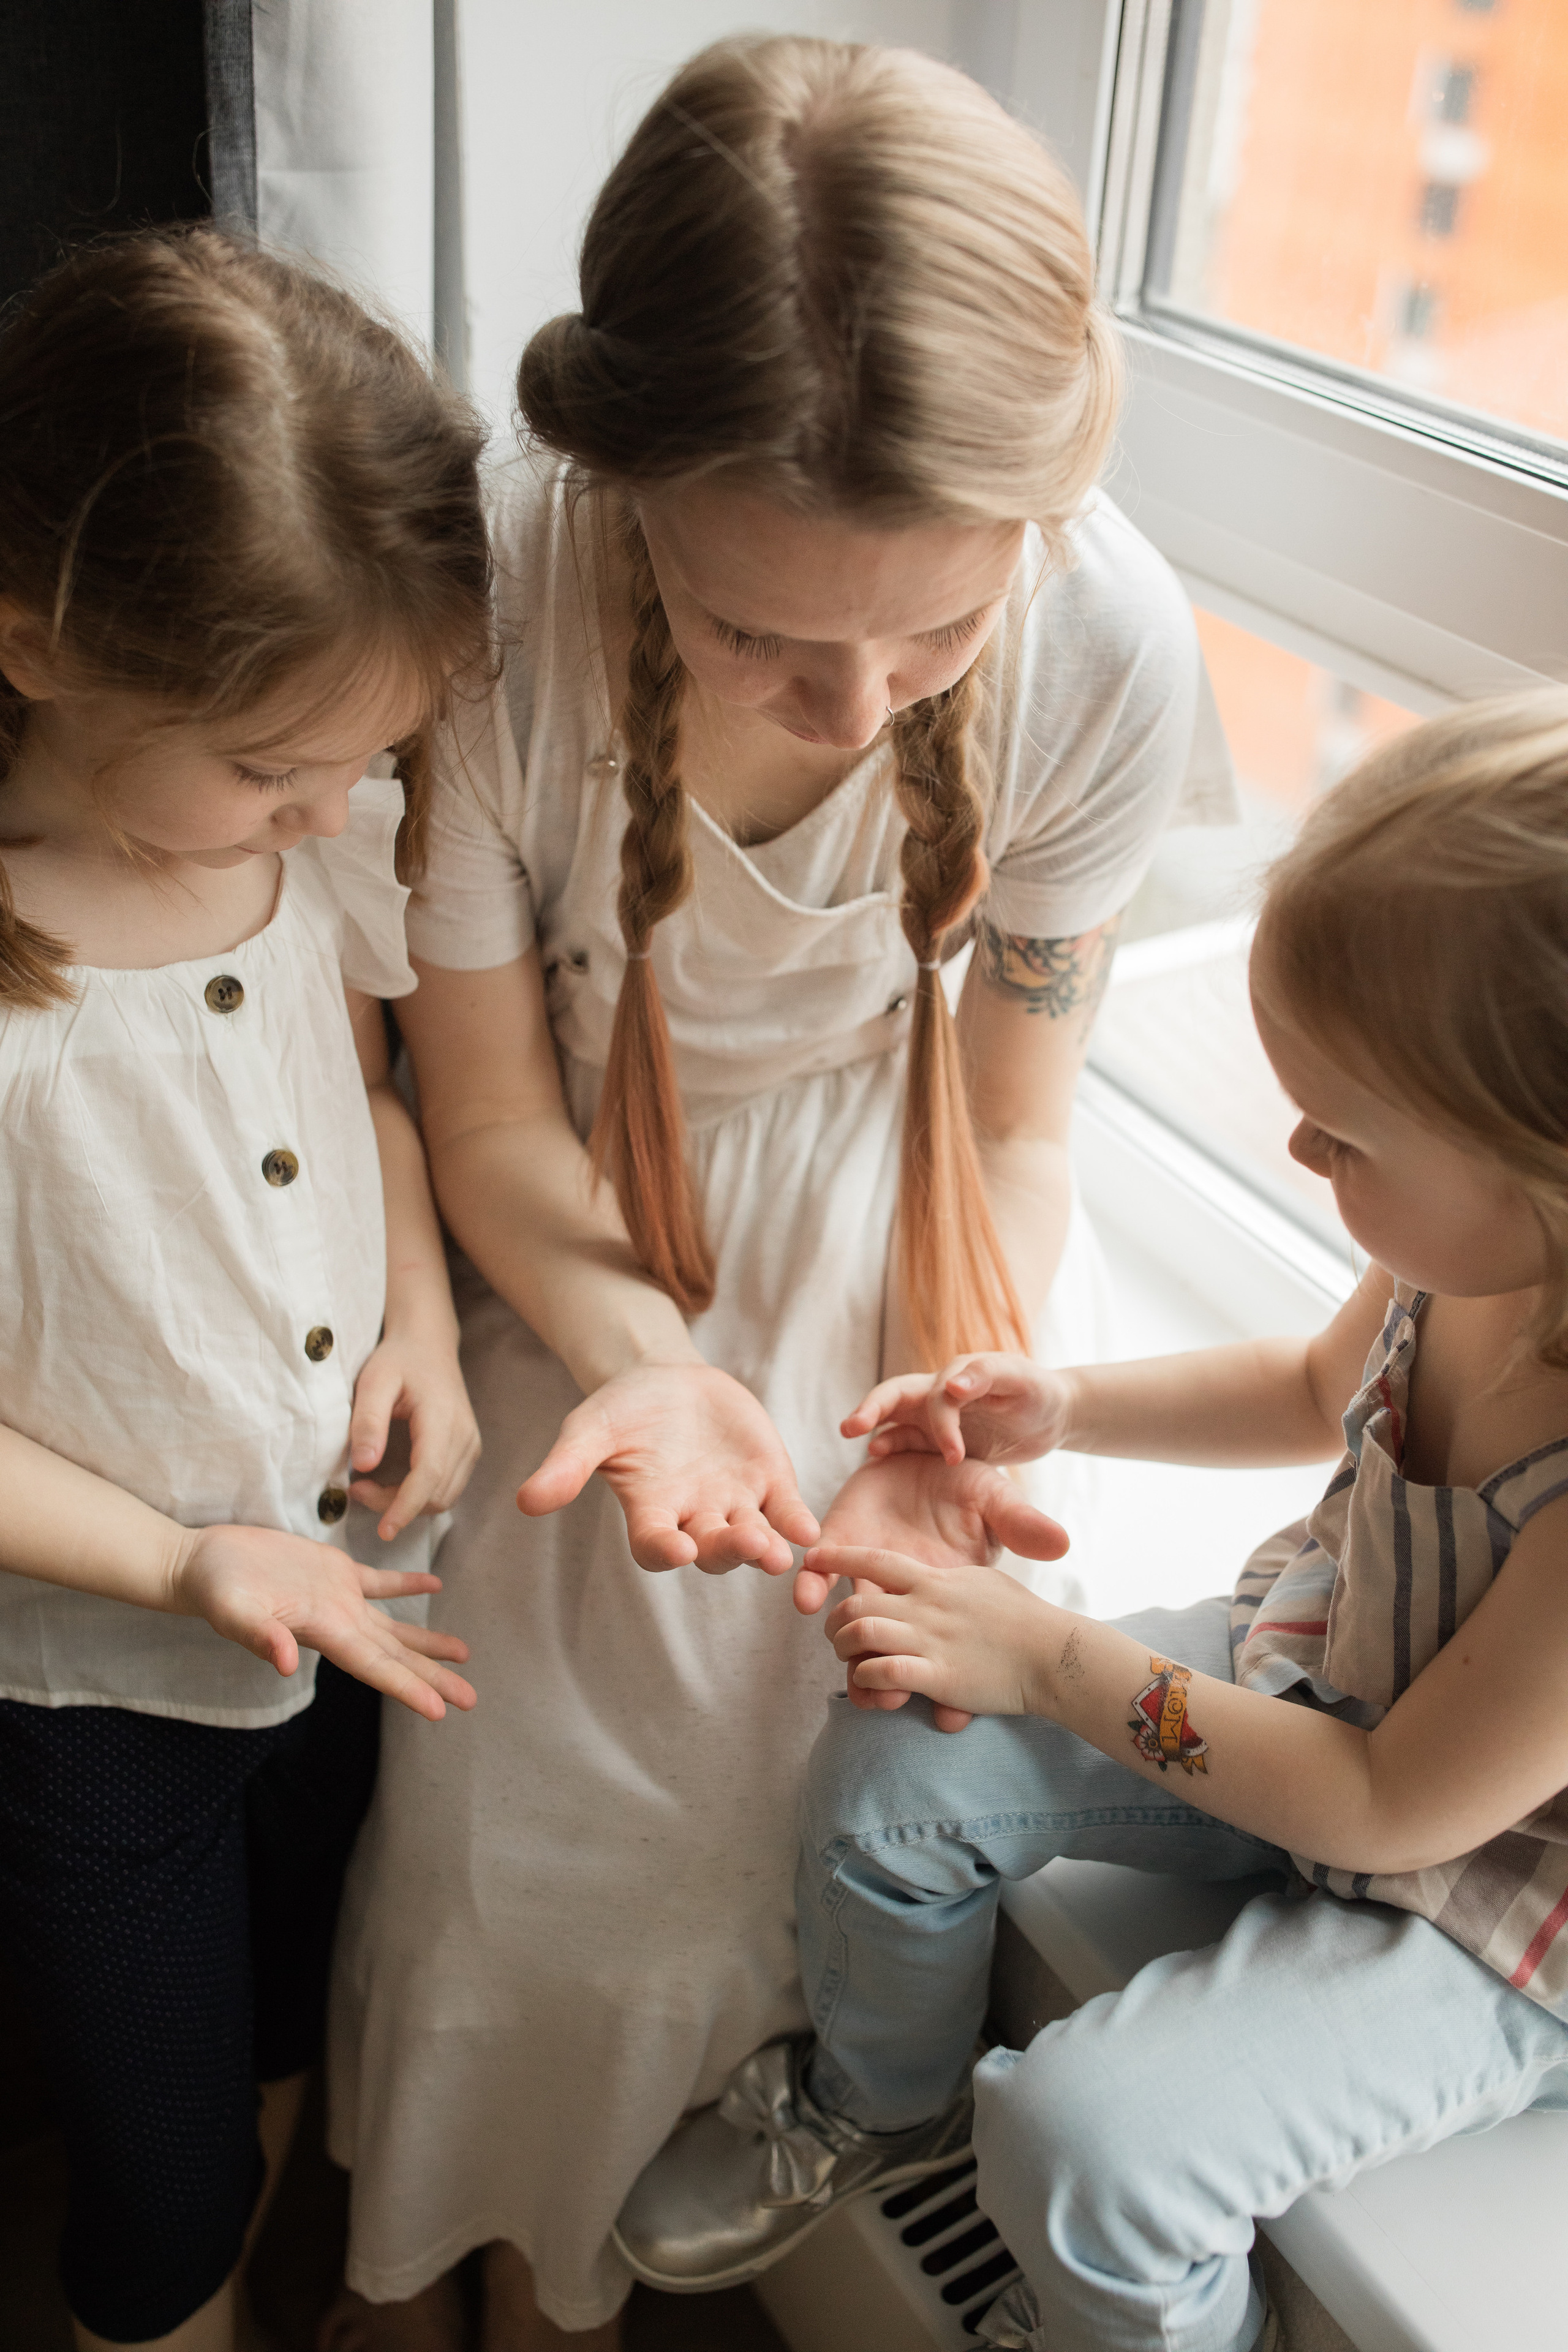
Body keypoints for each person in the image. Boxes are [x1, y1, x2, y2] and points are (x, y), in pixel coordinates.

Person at [323, 36, 1228, 2348]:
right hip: (585, 1217)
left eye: (936, 636)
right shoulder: (498, 596)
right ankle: (459, 2251)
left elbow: (1013, 1122)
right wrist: (650, 1363)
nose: (857, 706)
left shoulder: (1109, 644)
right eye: (761, 638)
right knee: (516, 1801)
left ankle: (612, 2256)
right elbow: (490, 1116)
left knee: (792, 1760)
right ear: (622, 491)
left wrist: (942, 1399)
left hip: (908, 1221)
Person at [616, 691, 1568, 2352]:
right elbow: (1311, 1384)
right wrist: (1066, 1405)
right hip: (1327, 1683)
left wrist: (1051, 1661)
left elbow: (1389, 1808)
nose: (1297, 1147)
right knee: (895, 1762)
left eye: (1344, 1133)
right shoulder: (1471, 1249)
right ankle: (882, 2101)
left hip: (1492, 1897)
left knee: (1094, 2155)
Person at [0, 228, 493, 2352]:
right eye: (274, 769)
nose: (329, 810)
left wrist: (423, 1329)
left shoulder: (299, 856)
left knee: (290, 2025)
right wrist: (181, 1562)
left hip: (335, 1611)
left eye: (359, 764)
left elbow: (370, 1108)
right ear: (38, 647)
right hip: (93, 1701)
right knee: (162, 2169)